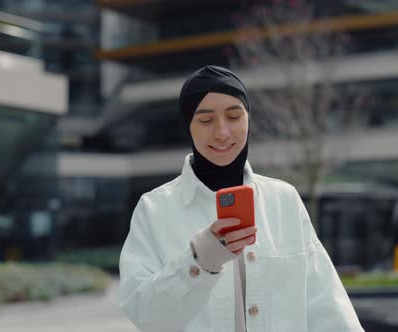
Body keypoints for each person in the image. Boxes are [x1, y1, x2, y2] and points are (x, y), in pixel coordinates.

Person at [118, 65, 364, 332]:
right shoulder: (155, 210)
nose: (222, 132)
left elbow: (326, 305)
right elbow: (144, 313)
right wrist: (199, 261)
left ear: (249, 118)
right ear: (188, 126)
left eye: (234, 116)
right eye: (206, 120)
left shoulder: (284, 201)